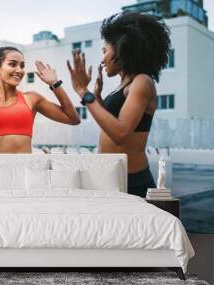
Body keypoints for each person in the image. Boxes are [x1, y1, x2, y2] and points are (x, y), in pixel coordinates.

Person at [67, 12, 171, 197]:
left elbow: (120, 133)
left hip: (131, 180)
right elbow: (109, 123)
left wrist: (84, 92)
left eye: (105, 51)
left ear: (122, 50)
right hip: (109, 176)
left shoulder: (142, 82)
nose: (102, 59)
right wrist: (96, 95)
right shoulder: (121, 86)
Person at [0, 46, 80, 153]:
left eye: (22, 66)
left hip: (24, 175)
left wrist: (55, 84)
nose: (19, 70)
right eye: (12, 64)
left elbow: (73, 119)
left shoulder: (31, 99)